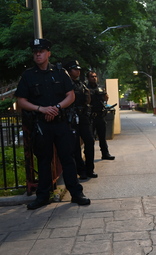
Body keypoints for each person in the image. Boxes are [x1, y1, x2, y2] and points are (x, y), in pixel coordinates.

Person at [15, 39, 90, 210]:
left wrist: (55, 108)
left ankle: (76, 193)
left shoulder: (60, 73)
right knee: (43, 160)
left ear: (48, 53)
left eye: (41, 51)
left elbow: (70, 96)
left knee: (67, 159)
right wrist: (42, 109)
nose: (38, 54)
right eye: (35, 52)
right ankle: (43, 196)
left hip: (61, 123)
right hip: (41, 124)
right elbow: (21, 101)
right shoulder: (28, 76)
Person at [64, 60, 97, 179]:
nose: (77, 71)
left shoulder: (81, 84)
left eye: (78, 69)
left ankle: (89, 169)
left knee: (89, 141)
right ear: (68, 70)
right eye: (74, 69)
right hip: (71, 117)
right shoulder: (65, 84)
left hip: (83, 117)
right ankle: (81, 170)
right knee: (75, 146)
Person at [86, 71, 115, 160]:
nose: (94, 78)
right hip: (91, 116)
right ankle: (89, 156)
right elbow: (86, 101)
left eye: (95, 76)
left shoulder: (100, 88)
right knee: (90, 139)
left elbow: (106, 99)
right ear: (88, 78)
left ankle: (105, 153)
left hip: (100, 115)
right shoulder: (86, 88)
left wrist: (104, 94)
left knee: (102, 137)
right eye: (92, 76)